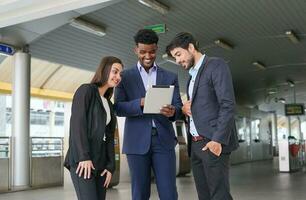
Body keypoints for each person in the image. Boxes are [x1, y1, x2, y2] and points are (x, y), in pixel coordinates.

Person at [166, 32, 239, 200]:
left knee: (219, 195)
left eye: (178, 54)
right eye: (174, 57)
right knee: (204, 196)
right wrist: (185, 109)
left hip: (212, 142)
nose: (177, 61)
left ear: (191, 47)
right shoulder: (192, 77)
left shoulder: (216, 65)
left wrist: (217, 140)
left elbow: (227, 104)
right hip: (196, 145)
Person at [114, 29, 182, 200]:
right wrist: (140, 103)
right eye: (143, 51)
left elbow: (179, 107)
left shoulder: (170, 76)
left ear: (156, 49)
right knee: (140, 193)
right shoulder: (124, 77)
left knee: (169, 193)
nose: (147, 56)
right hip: (136, 142)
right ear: (136, 50)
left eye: (151, 51)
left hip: (164, 141)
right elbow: (118, 108)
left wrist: (173, 111)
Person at [64, 56, 123, 200]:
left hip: (101, 165)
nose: (118, 77)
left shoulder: (108, 104)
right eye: (115, 72)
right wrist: (83, 156)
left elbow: (109, 137)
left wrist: (110, 167)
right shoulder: (86, 91)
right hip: (83, 162)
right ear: (104, 70)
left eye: (120, 74)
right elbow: (78, 125)